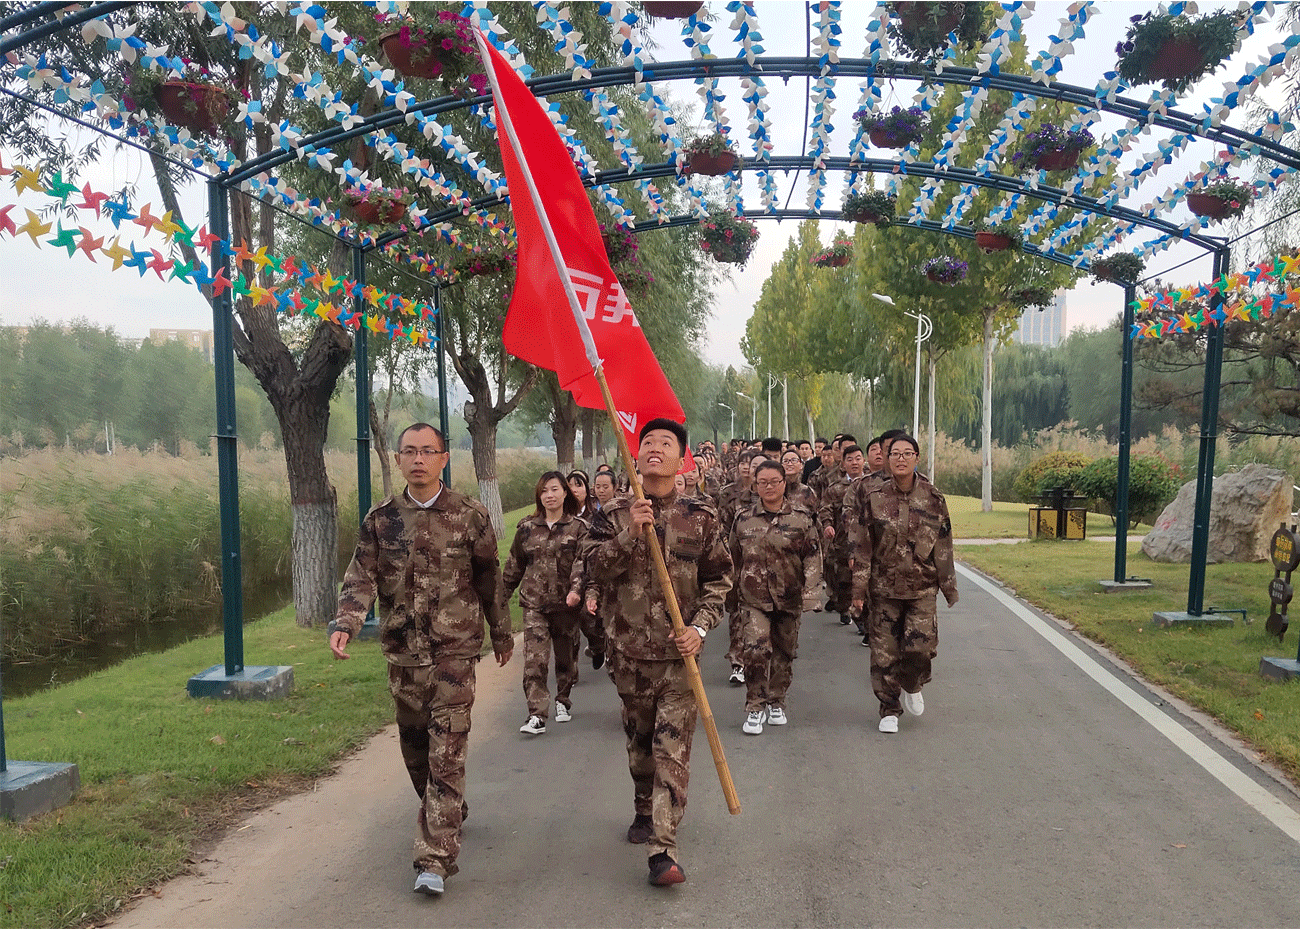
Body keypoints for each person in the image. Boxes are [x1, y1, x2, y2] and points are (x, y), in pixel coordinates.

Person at [329, 423, 511, 898]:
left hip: (455, 654)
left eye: (427, 451)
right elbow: (359, 579)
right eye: (409, 451)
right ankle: (447, 809)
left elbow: (490, 579)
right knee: (416, 751)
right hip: (404, 653)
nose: (418, 459)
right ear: (398, 459)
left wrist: (503, 632)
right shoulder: (381, 519)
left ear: (444, 459)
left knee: (446, 752)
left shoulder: (470, 515)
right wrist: (345, 624)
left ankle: (435, 857)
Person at [582, 418, 732, 887]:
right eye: (647, 442)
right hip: (627, 655)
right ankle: (644, 808)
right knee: (641, 749)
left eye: (665, 443)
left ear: (680, 457)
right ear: (636, 453)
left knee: (672, 751)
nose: (654, 449)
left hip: (678, 658)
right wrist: (631, 532)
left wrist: (700, 628)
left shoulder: (700, 515)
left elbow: (719, 580)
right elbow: (592, 567)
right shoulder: (611, 514)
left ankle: (662, 850)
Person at [848, 435, 958, 734]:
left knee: (920, 648)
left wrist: (949, 586)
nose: (900, 458)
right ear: (886, 458)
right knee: (884, 653)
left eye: (906, 453)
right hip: (883, 588)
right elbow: (863, 546)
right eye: (894, 453)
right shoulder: (875, 497)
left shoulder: (933, 498)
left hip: (922, 587)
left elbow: (943, 544)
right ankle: (888, 708)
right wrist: (858, 591)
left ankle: (912, 683)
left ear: (916, 458)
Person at [730, 460, 820, 735]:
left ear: (784, 484)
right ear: (755, 486)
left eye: (774, 482)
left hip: (789, 597)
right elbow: (732, 557)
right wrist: (728, 592)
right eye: (762, 483)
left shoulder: (801, 518)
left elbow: (813, 557)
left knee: (784, 652)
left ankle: (776, 700)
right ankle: (755, 706)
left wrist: (811, 593)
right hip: (753, 598)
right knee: (756, 650)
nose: (768, 487)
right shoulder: (743, 519)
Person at [503, 472, 589, 735]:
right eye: (544, 491)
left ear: (565, 493)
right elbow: (514, 566)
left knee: (565, 657)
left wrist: (576, 591)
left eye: (554, 490)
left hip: (566, 605)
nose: (549, 495)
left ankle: (562, 700)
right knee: (534, 660)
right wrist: (498, 600)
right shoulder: (526, 528)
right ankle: (536, 714)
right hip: (534, 605)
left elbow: (583, 564)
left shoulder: (579, 528)